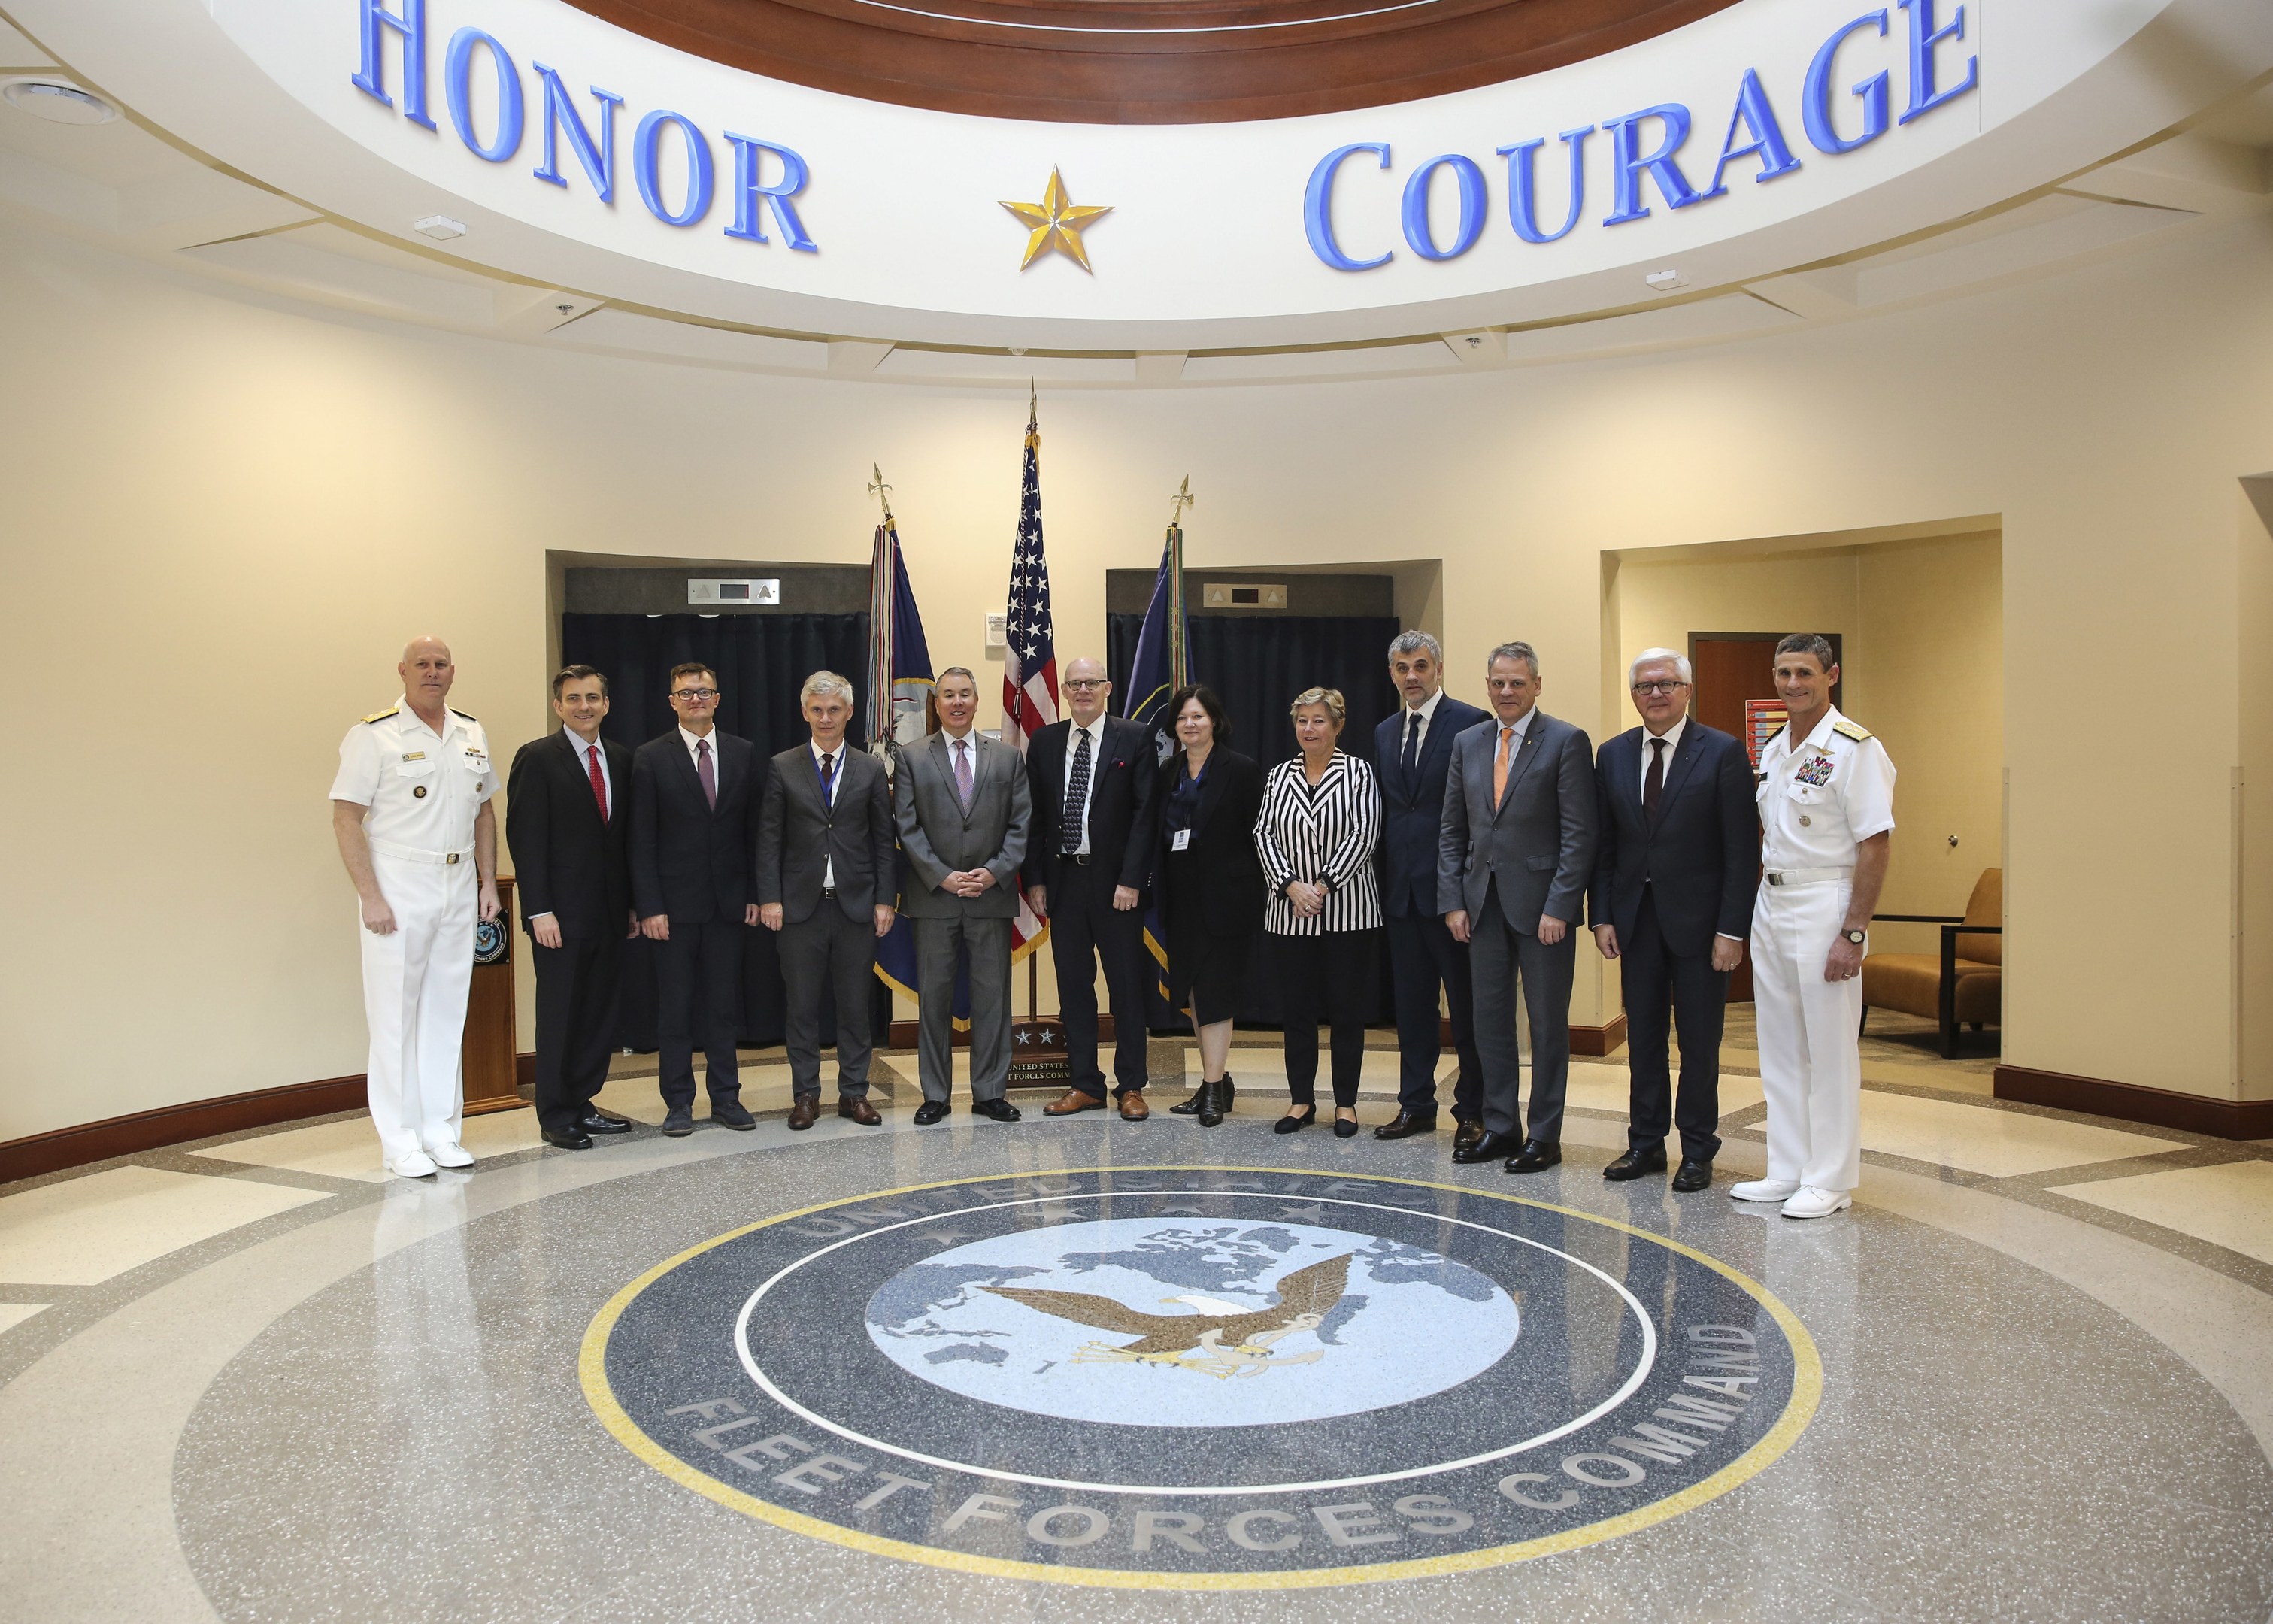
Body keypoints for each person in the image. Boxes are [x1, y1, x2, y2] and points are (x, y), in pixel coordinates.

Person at [1733, 634, 1896, 1220]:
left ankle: (1828, 1179)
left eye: (1803, 672)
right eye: (1782, 673)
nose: (1791, 683)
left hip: (1826, 899)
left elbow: (1874, 844)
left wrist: (1853, 931)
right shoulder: (1776, 747)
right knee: (1778, 1044)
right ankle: (1787, 1168)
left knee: (1828, 1050)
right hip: (1771, 901)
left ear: (1831, 676)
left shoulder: (1855, 748)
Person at [329, 635, 502, 1179]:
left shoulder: (470, 731)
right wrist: (370, 896)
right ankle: (399, 1138)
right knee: (395, 1016)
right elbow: (345, 818)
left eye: (441, 664)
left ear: (454, 672)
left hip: (456, 884)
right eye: (422, 665)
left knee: (447, 1013)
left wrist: (487, 883)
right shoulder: (373, 735)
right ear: (402, 672)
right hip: (400, 884)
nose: (432, 672)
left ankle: (440, 1130)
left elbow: (483, 813)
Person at [1590, 650, 1756, 1192]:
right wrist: (1602, 915)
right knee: (1643, 1040)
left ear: (1687, 690)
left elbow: (1740, 850)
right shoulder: (1611, 755)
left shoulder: (1723, 752)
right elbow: (1605, 845)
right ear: (1633, 695)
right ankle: (1644, 1144)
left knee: (1698, 1041)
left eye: (1665, 684)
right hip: (1635, 923)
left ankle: (1697, 1149)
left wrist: (1732, 930)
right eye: (1643, 687)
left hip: (1701, 928)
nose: (1654, 694)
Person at [1439, 641, 1596, 1174]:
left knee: (1548, 1026)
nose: (1506, 692)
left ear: (1535, 685)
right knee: (1489, 1024)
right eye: (1497, 683)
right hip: (1480, 907)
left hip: (1543, 912)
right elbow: (1452, 829)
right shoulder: (1468, 741)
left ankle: (1544, 1136)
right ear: (1487, 685)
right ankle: (1501, 1126)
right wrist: (1453, 901)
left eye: (1516, 683)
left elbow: (1578, 834)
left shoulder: (1566, 740)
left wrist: (1561, 905)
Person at [505, 665, 638, 1152]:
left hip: (609, 913)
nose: (585, 706)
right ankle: (556, 1113)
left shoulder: (621, 760)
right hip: (559, 917)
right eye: (574, 698)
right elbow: (526, 839)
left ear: (606, 704)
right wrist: (538, 910)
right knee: (561, 1014)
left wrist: (630, 906)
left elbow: (623, 842)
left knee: (598, 1014)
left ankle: (583, 1101)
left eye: (593, 698)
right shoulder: (537, 759)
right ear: (558, 706)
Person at [756, 671, 896, 1130]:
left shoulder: (871, 768)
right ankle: (806, 1095)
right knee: (801, 1007)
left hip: (856, 907)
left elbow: (882, 840)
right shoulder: (783, 765)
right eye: (817, 710)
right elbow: (769, 839)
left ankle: (854, 1093)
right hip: (800, 908)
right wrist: (770, 898)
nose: (825, 718)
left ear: (849, 713)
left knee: (855, 1007)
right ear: (804, 713)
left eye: (834, 709)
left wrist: (884, 900)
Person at [630, 662, 763, 1138]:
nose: (696, 700)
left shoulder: (744, 753)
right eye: (686, 694)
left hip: (729, 906)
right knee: (677, 1010)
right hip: (673, 910)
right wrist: (649, 907)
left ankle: (726, 1098)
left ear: (718, 698)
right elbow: (640, 840)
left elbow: (754, 833)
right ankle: (679, 1104)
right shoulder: (650, 757)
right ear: (672, 702)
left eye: (704, 691)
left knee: (723, 1008)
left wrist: (753, 893)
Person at [893, 666, 1031, 1126]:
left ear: (977, 701)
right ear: (936, 704)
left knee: (993, 998)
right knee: (933, 998)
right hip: (933, 899)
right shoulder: (911, 756)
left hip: (990, 898)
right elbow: (906, 827)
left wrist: (992, 874)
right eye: (947, 695)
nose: (956, 702)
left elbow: (1020, 825)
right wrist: (943, 876)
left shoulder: (1007, 758)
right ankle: (935, 1094)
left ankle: (990, 1092)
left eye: (965, 695)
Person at [1025, 657, 1160, 1122]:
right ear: (1064, 691)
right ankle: (1085, 1084)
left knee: (1125, 988)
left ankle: (1131, 1086)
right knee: (1074, 989)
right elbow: (1035, 818)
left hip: (1116, 886)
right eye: (1074, 684)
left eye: (1091, 683)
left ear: (1107, 687)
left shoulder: (1135, 736)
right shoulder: (1043, 742)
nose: (1083, 690)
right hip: (1063, 884)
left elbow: (1146, 815)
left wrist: (1131, 880)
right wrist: (1036, 880)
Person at [1372, 631, 1491, 1150]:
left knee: (1466, 1011)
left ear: (1438, 670)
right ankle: (1415, 1104)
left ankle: (1473, 1110)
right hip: (1399, 893)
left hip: (1454, 898)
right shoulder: (1382, 731)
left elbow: (1480, 814)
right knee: (1413, 1009)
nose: (1411, 676)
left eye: (1420, 666)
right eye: (1402, 668)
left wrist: (1461, 893)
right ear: (1393, 674)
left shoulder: (1471, 724)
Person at [1256, 688, 1383, 1138]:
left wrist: (1323, 886)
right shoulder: (1278, 775)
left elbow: (1364, 834)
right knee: (1298, 1013)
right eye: (1302, 721)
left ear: (1338, 726)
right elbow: (1264, 834)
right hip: (1289, 912)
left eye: (1318, 721)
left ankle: (1345, 1104)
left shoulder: (1359, 773)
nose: (1309, 729)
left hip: (1348, 912)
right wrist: (1291, 885)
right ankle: (1300, 1101)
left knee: (1347, 1012)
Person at [1154, 685, 1266, 1127]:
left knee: (1217, 992)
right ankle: (1213, 1081)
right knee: (1197, 992)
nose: (1190, 724)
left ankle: (1214, 1088)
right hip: (1181, 902)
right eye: (1183, 718)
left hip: (1227, 902)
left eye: (1198, 716)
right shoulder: (1168, 771)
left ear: (1214, 721)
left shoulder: (1241, 769)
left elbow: (1259, 835)